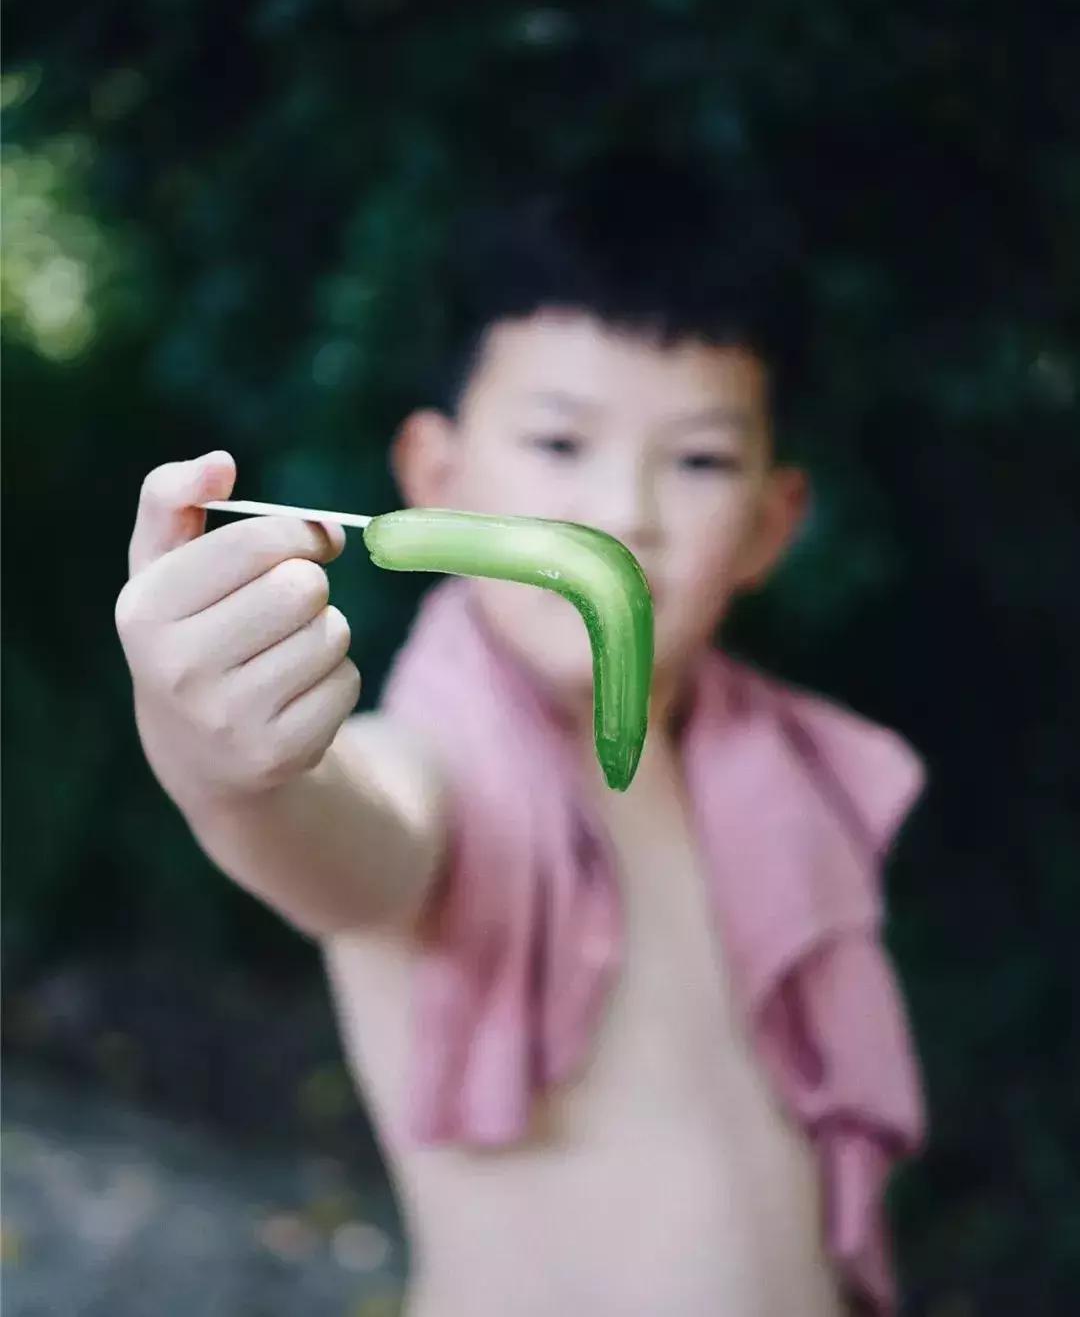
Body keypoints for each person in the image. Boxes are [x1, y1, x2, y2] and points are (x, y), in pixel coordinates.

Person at [114, 150, 927, 1317]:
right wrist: (223, 767)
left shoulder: (778, 765)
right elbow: (347, 822)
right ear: (437, 477)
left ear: (769, 521)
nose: (622, 511)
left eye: (698, 459)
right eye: (559, 444)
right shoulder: (437, 766)